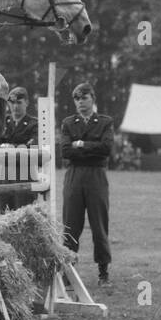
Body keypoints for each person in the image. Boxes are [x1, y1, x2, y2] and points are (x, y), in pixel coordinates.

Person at [60, 82, 113, 286]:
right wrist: (92, 146)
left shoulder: (105, 122)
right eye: (77, 98)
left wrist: (80, 144)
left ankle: (103, 272)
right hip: (74, 176)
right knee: (70, 226)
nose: (81, 102)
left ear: (93, 98)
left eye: (84, 97)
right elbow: (65, 151)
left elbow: (106, 148)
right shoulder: (68, 122)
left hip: (96, 176)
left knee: (99, 225)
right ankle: (67, 274)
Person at [0, 86, 38, 213]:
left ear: (27, 103)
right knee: (5, 212)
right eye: (11, 102)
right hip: (4, 174)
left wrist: (10, 146)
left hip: (24, 173)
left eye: (19, 102)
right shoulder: (3, 123)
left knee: (24, 214)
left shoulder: (34, 124)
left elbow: (33, 147)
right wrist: (13, 146)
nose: (15, 106)